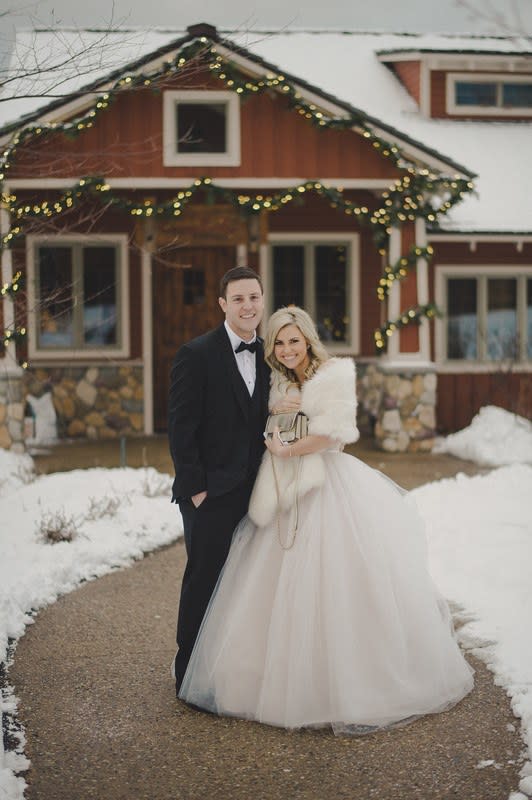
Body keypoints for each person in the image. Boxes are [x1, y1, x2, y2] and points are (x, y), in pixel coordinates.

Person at [178, 306, 474, 733]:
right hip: (282, 490)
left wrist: (288, 450)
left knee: (338, 582)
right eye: (278, 342)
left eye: (293, 340)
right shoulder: (274, 379)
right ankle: (266, 679)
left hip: (328, 486)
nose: (286, 349)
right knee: (269, 583)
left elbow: (336, 433)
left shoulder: (332, 375)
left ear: (308, 339)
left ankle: (347, 682)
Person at [168, 266, 270, 695]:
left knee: (248, 583)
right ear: (223, 305)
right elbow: (180, 426)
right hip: (210, 493)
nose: (248, 306)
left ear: (262, 301)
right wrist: (196, 489)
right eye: (239, 299)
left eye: (254, 297)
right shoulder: (197, 354)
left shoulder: (271, 355)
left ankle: (231, 672)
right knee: (205, 579)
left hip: (259, 491)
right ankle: (189, 674)